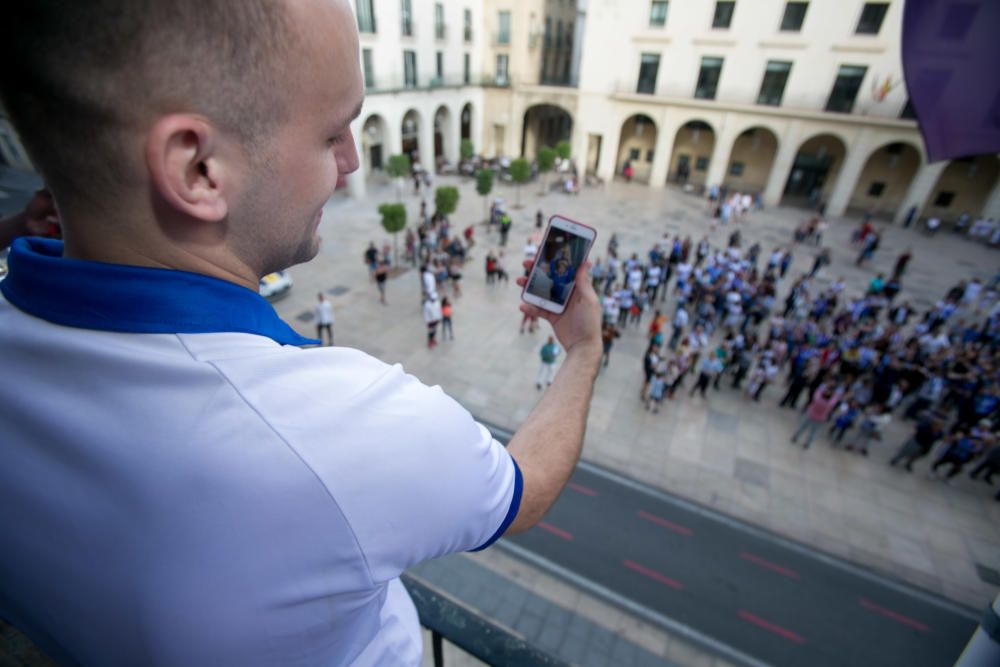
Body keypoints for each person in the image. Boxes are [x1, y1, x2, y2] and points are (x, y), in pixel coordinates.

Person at [0, 3, 605, 665]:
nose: (351, 161)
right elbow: (524, 486)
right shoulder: (342, 428)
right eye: (333, 132)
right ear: (199, 169)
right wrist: (582, 347)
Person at [791, 384, 843, 449]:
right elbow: (835, 399)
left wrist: (824, 386)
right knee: (813, 432)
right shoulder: (829, 404)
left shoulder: (817, 399)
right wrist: (835, 394)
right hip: (820, 419)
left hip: (810, 415)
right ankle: (807, 444)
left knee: (802, 427)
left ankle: (795, 437)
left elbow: (818, 391)